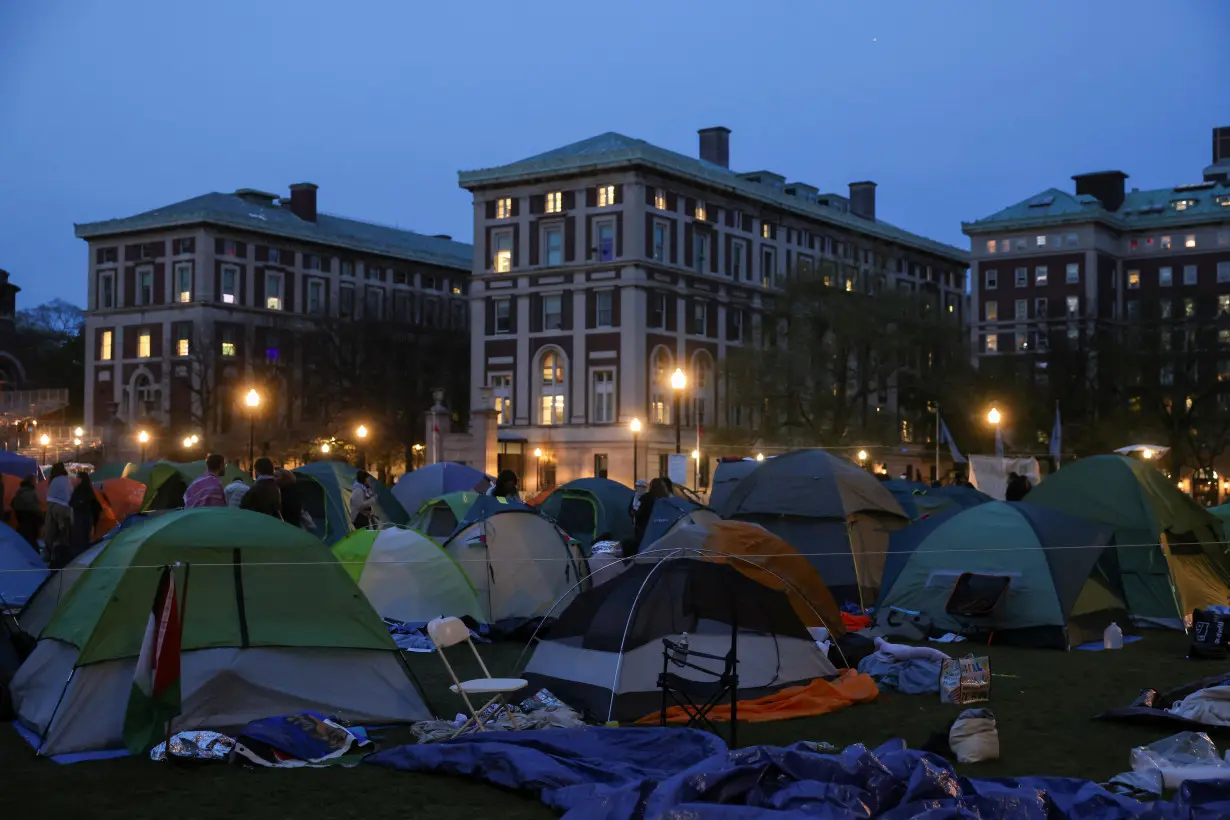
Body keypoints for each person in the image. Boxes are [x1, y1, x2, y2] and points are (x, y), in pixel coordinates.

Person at [66, 471, 102, 567]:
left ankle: (76, 559)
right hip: (87, 518)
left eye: (78, 478)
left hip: (80, 518)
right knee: (84, 539)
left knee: (78, 539)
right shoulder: (89, 490)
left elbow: (72, 503)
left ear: (81, 479)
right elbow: (96, 506)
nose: (76, 480)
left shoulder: (80, 490)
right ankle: (82, 558)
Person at [43, 463, 73, 565]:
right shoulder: (67, 480)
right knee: (64, 533)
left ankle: (49, 553)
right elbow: (70, 494)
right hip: (65, 507)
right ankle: (62, 555)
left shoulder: (53, 480)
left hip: (52, 505)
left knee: (51, 531)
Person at [631, 478, 669, 556]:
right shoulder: (665, 499)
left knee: (644, 549)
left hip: (645, 527)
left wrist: (635, 516)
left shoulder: (646, 498)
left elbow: (639, 514)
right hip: (660, 528)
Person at [11, 475, 44, 551]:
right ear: (32, 482)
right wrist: (42, 519)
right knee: (31, 539)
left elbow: (12, 503)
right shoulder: (32, 492)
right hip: (31, 517)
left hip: (20, 516)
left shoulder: (19, 490)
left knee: (24, 535)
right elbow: (36, 508)